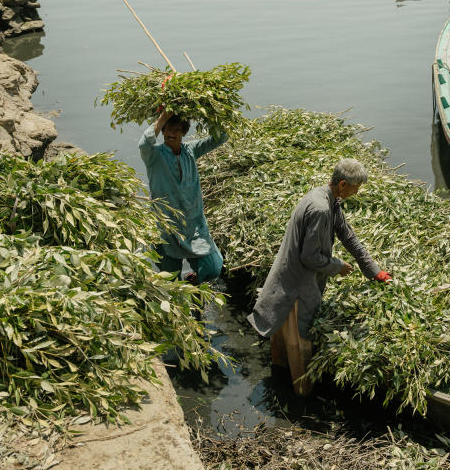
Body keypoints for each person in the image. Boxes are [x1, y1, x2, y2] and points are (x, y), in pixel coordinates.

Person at [247, 158, 391, 394]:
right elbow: (309, 257)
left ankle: (280, 382)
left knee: (287, 339)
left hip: (295, 277)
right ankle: (300, 395)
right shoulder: (321, 209)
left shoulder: (329, 199)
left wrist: (375, 272)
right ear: (343, 184)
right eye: (356, 188)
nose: (357, 192)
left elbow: (347, 236)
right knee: (301, 340)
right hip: (297, 283)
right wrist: (338, 266)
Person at [139, 109, 227, 283]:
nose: (171, 133)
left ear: (184, 132)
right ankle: (178, 305)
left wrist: (204, 109)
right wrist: (164, 115)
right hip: (166, 227)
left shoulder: (191, 151)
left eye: (177, 130)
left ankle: (192, 281)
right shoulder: (154, 156)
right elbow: (144, 143)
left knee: (213, 268)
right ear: (162, 130)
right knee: (170, 278)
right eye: (167, 129)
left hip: (193, 225)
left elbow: (222, 136)